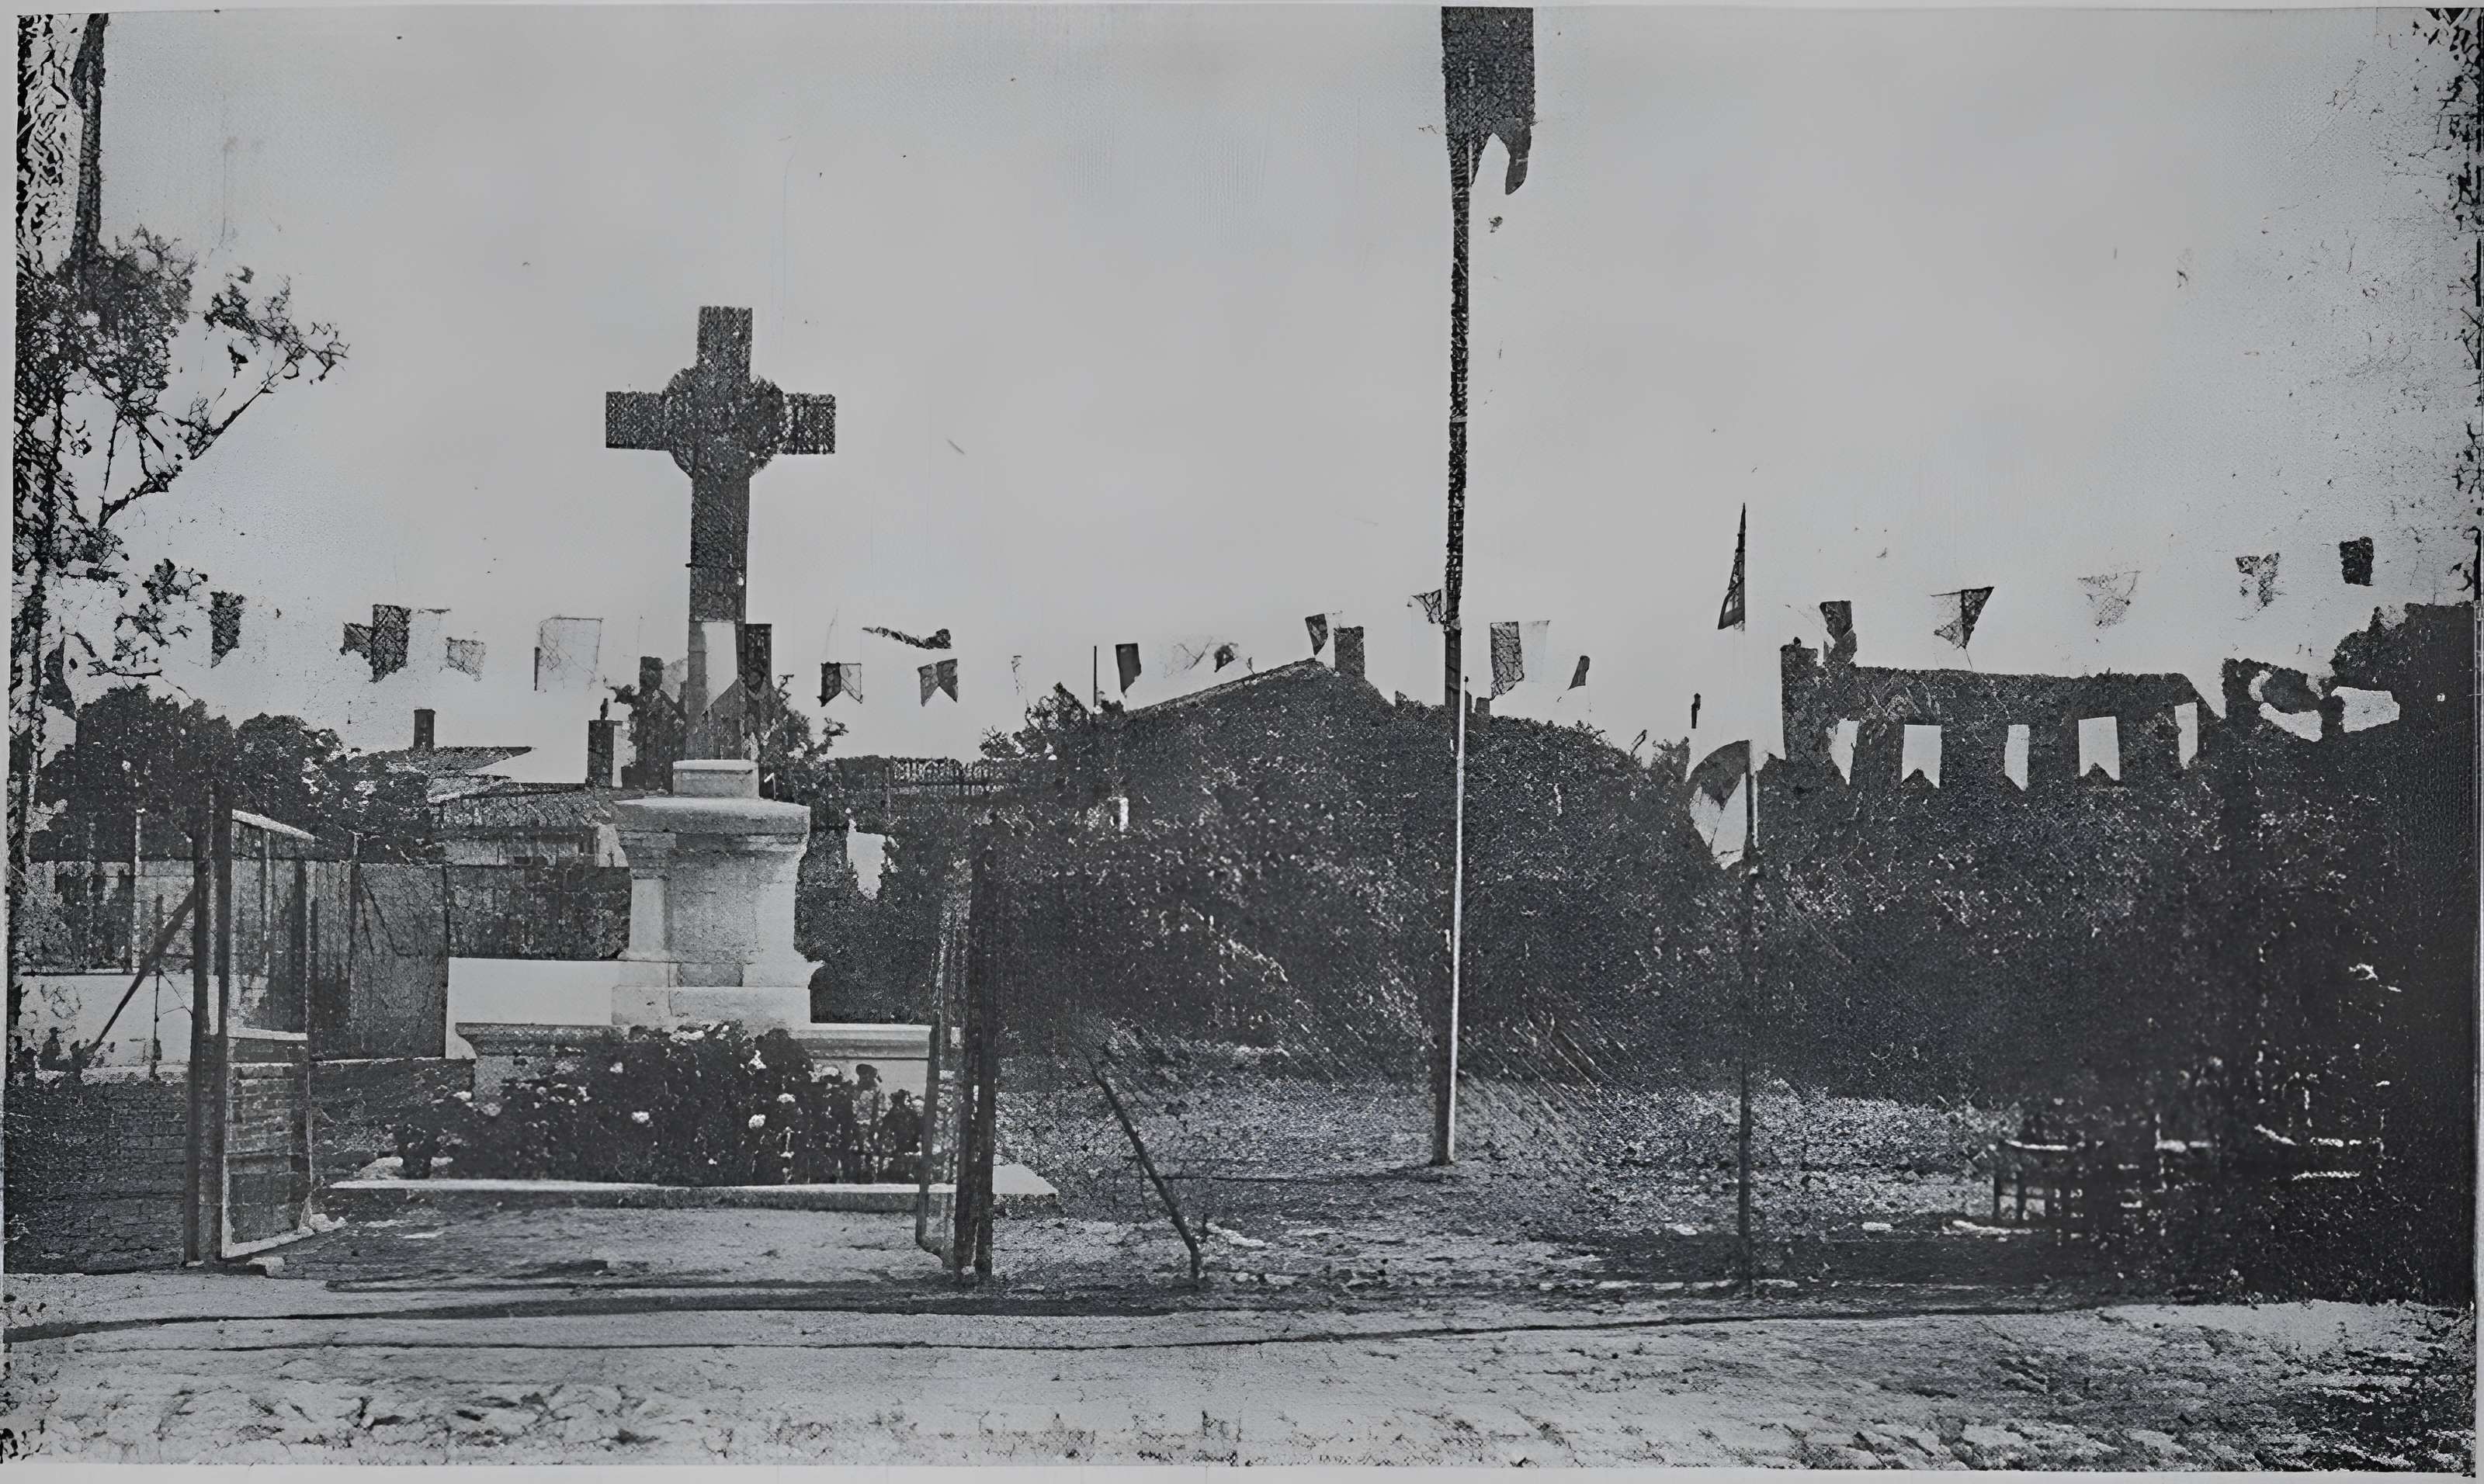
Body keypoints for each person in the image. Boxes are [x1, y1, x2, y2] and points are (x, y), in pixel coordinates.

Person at [850, 1064, 888, 1181]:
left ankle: (871, 1174)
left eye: (866, 1076)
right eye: (862, 1076)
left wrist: (877, 1126)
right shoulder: (855, 1090)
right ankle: (856, 1174)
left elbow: (882, 1110)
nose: (864, 1079)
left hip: (871, 1127)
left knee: (870, 1151)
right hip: (856, 1126)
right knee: (856, 1150)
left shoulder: (878, 1091)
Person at [878, 1088, 922, 1184]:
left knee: (908, 1157)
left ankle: (907, 1174)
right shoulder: (893, 1113)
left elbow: (918, 1127)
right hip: (898, 1142)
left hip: (909, 1141)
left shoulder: (911, 1113)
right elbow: (886, 1128)